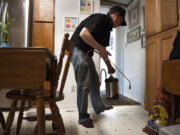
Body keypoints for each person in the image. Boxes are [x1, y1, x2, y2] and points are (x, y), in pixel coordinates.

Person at [71, 6, 127, 128]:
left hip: (86, 54)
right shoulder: (100, 18)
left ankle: (99, 106)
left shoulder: (107, 30)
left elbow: (103, 51)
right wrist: (100, 48)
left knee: (95, 81)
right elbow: (83, 34)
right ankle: (83, 117)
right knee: (84, 83)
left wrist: (109, 66)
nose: (119, 24)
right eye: (121, 21)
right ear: (116, 15)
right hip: (78, 50)